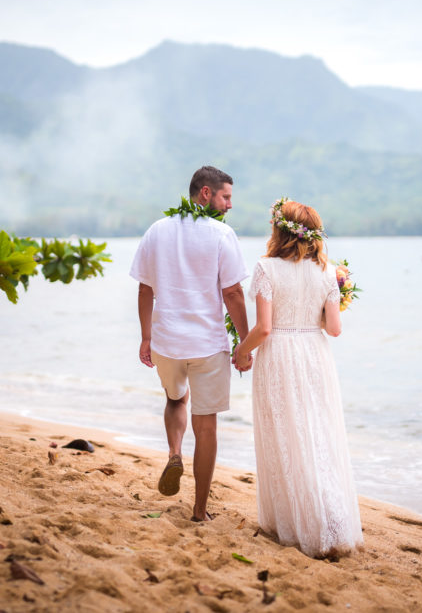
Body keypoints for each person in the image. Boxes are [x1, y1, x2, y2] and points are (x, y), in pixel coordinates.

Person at [233, 198, 363, 557]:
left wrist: (242, 351)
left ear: (278, 229)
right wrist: (317, 312)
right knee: (318, 433)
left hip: (279, 356)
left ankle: (293, 523)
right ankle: (333, 523)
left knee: (286, 437)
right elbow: (334, 329)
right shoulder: (327, 272)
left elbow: (264, 328)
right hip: (315, 355)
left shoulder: (265, 268)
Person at [129, 166, 251, 522]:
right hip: (208, 345)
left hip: (167, 341)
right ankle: (199, 511)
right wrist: (245, 342)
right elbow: (232, 292)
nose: (229, 205)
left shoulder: (157, 230)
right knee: (207, 424)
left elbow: (144, 288)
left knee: (174, 398)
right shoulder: (221, 235)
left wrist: (146, 336)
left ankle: (173, 452)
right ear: (205, 194)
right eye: (226, 197)